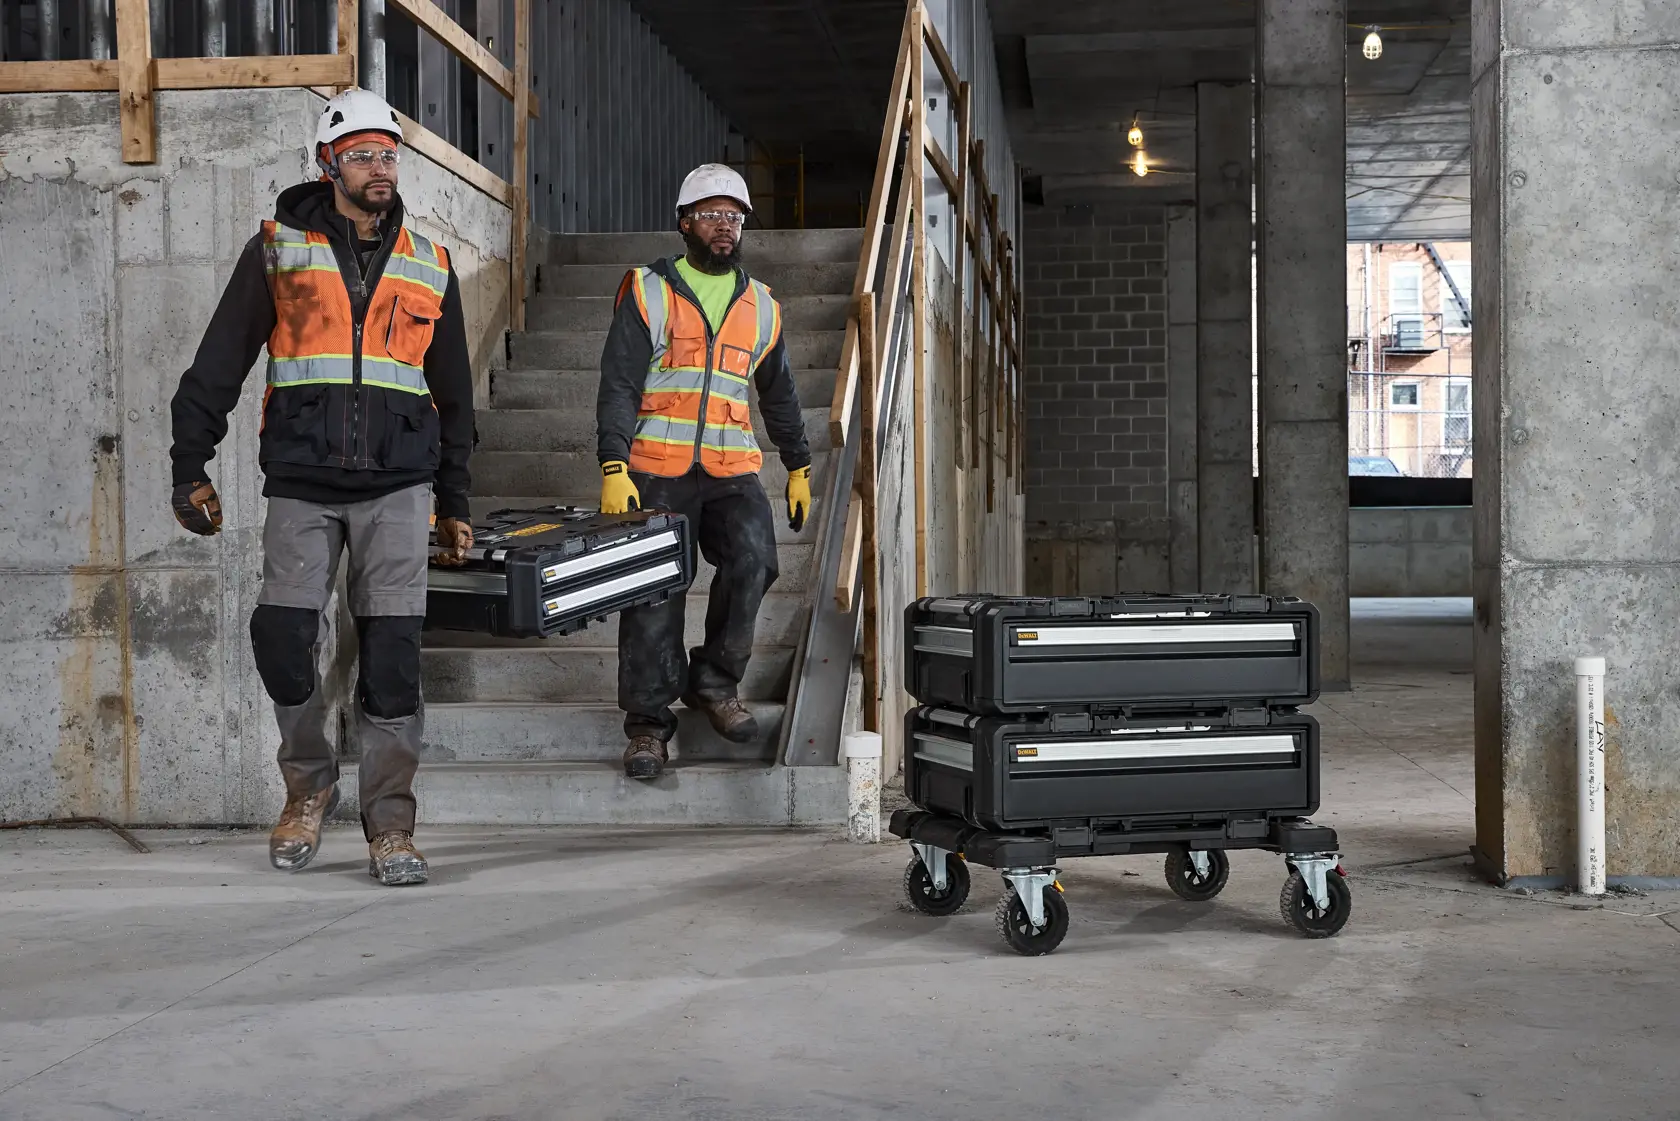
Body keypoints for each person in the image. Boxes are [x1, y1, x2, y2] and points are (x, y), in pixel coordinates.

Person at [168, 88, 476, 886]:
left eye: (388, 154)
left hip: (402, 487)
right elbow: (217, 364)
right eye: (364, 154)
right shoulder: (276, 249)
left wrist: (457, 499)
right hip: (302, 481)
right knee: (282, 642)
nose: (381, 167)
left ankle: (390, 824)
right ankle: (306, 787)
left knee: (393, 660)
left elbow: (454, 395)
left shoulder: (431, 262)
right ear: (327, 163)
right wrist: (189, 465)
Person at [596, 163, 812, 780]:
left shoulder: (763, 305)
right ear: (684, 222)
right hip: (656, 467)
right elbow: (618, 384)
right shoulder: (648, 290)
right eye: (713, 214)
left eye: (735, 217)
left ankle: (714, 684)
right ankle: (646, 726)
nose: (726, 226)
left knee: (755, 561)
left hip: (730, 466)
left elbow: (780, 394)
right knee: (654, 589)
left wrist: (797, 463)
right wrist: (614, 464)